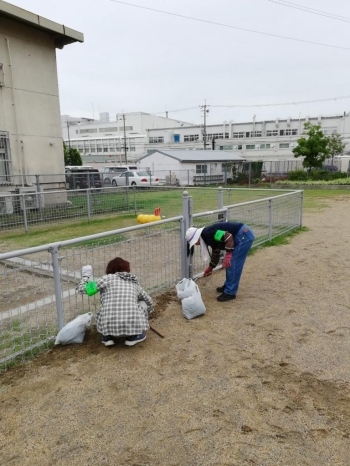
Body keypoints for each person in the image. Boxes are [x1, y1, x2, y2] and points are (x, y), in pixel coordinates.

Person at [76, 257, 153, 347]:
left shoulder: (106, 279)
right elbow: (149, 300)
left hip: (109, 327)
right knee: (142, 302)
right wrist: (148, 312)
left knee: (104, 308)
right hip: (131, 328)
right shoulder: (134, 283)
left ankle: (107, 337)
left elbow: (81, 289)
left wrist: (86, 275)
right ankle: (134, 336)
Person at [186, 222, 255, 302]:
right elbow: (216, 251)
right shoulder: (207, 237)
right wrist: (210, 267)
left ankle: (230, 292)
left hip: (243, 235)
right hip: (242, 234)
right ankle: (228, 286)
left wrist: (228, 253)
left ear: (197, 238)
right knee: (230, 264)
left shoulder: (208, 233)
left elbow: (227, 236)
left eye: (194, 242)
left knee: (233, 264)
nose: (195, 244)